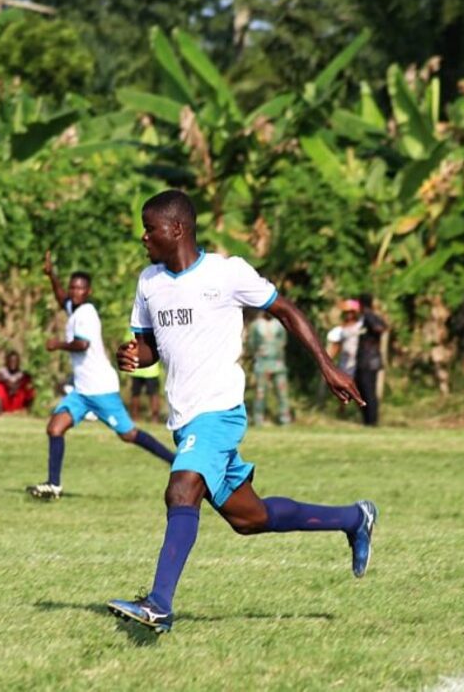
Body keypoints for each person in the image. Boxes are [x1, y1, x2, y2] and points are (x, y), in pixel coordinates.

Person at [106, 190, 377, 634]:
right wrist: (135, 355)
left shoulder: (226, 273)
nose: (143, 236)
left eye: (149, 227)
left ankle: (158, 604)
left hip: (219, 412)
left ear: (176, 229)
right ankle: (354, 517)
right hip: (185, 419)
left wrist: (327, 366)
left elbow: (286, 310)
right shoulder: (148, 282)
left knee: (181, 490)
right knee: (250, 518)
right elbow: (151, 346)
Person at [27, 251, 175, 500]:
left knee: (128, 434)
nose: (74, 292)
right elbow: (61, 297)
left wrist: (58, 345)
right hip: (82, 391)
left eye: (80, 289)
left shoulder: (86, 313)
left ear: (88, 292)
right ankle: (53, 486)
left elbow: (82, 345)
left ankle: (176, 461)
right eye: (73, 287)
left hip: (100, 388)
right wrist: (52, 275)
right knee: (55, 428)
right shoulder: (74, 307)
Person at [248, 311, 291, 426]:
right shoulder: (256, 325)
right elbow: (252, 343)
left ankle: (285, 419)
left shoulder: (279, 324)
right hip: (262, 363)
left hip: (278, 363)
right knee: (260, 393)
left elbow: (283, 341)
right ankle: (258, 419)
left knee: (282, 392)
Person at [354, 294, 387, 426]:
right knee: (362, 390)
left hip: (369, 360)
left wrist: (373, 334)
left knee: (368, 391)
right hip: (365, 360)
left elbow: (381, 327)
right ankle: (367, 420)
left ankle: (371, 421)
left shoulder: (368, 316)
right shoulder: (366, 317)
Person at [124, 329, 162, 422]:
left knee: (135, 394)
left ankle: (135, 417)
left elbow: (127, 346)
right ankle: (154, 419)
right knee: (153, 394)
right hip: (151, 369)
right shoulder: (154, 329)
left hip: (137, 368)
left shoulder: (132, 330)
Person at [326, 299, 363, 379]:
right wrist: (328, 361)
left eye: (351, 312)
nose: (349, 314)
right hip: (345, 364)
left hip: (360, 364)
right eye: (346, 312)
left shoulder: (360, 326)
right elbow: (336, 346)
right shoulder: (340, 330)